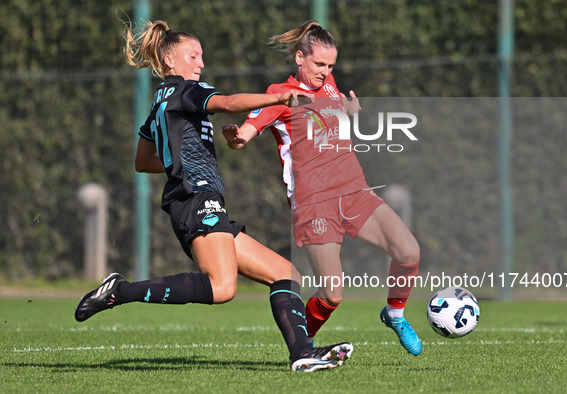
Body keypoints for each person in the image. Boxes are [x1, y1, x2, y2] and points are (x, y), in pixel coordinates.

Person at [74, 20, 353, 372]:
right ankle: (120, 290)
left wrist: (180, 164)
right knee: (222, 288)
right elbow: (230, 102)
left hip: (195, 198)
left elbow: (143, 162)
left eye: (202, 55)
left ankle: (302, 354)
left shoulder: (159, 105)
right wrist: (280, 96)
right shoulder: (185, 91)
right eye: (193, 55)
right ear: (170, 61)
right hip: (195, 199)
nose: (200, 62)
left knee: (287, 274)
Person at [223, 21, 422, 356]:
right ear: (300, 57)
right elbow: (246, 132)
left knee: (409, 252)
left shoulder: (328, 83)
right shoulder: (280, 96)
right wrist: (236, 137)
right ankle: (303, 344)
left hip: (354, 190)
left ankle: (395, 314)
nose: (325, 71)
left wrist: (350, 111)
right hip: (314, 203)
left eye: (331, 65)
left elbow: (332, 112)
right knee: (332, 294)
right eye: (319, 64)